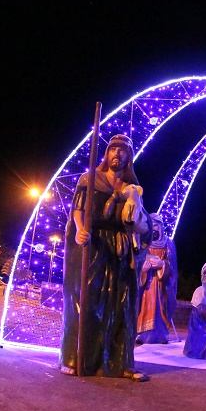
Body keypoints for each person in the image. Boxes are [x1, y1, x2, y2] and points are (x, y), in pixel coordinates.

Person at [59, 134, 153, 381]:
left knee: (122, 306)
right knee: (86, 302)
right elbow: (78, 210)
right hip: (95, 244)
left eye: (123, 151)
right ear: (106, 153)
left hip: (120, 249)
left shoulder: (130, 188)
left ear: (129, 157)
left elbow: (142, 223)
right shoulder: (90, 179)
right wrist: (80, 229)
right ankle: (74, 358)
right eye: (113, 149)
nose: (117, 154)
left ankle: (121, 363)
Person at [136, 213, 178, 344]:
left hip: (161, 285)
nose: (154, 228)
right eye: (152, 225)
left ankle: (161, 335)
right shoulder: (142, 243)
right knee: (144, 306)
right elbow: (136, 262)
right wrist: (142, 269)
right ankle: (142, 335)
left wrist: (162, 265)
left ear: (161, 227)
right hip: (146, 283)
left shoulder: (169, 244)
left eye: (157, 226)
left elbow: (173, 267)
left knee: (160, 308)